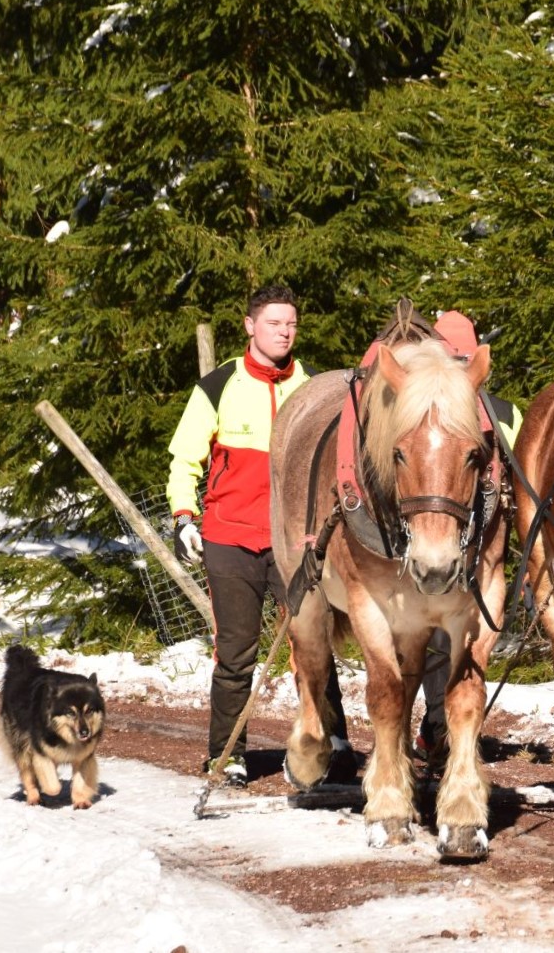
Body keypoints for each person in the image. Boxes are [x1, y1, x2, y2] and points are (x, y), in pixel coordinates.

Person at [166, 284, 347, 787]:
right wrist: (185, 517)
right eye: (274, 323)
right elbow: (184, 458)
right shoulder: (218, 385)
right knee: (236, 653)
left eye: (291, 324)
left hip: (295, 544)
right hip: (230, 538)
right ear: (250, 326)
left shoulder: (314, 388)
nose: (284, 332)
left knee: (315, 645)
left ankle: (334, 745)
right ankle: (226, 755)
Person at [412, 312, 523, 765]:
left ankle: (441, 731)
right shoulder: (485, 412)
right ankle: (438, 731)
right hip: (445, 546)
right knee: (440, 645)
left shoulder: (499, 414)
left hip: (475, 551)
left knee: (449, 646)